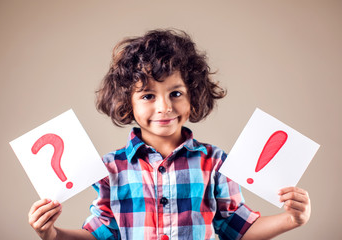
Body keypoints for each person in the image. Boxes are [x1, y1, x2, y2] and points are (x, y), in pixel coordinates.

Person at [28, 29, 311, 240]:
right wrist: (51, 234)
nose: (164, 107)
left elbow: (237, 229)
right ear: (128, 102)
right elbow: (103, 235)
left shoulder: (215, 163)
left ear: (193, 97)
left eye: (175, 93)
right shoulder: (110, 169)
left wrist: (291, 219)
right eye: (148, 95)